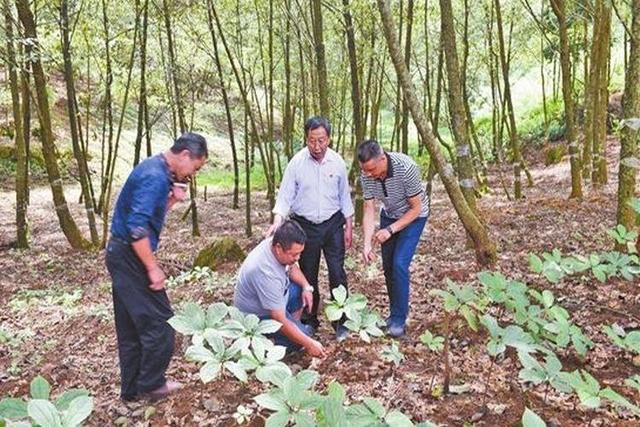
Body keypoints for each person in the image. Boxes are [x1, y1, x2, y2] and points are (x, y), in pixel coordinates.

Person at [106, 132, 208, 401]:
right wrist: (152, 268)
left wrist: (172, 200)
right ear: (185, 155)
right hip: (130, 257)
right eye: (195, 168)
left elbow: (148, 216)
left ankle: (131, 391)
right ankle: (151, 384)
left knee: (130, 329)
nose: (192, 174)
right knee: (162, 324)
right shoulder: (154, 176)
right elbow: (137, 230)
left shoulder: (157, 170)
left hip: (120, 253)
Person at [267, 116, 354, 338]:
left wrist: (349, 225)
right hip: (305, 226)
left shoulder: (338, 163)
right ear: (306, 139)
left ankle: (341, 322)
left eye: (322, 141)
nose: (317, 146)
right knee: (308, 274)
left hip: (333, 223)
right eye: (312, 141)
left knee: (337, 272)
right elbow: (285, 196)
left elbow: (344, 197)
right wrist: (277, 222)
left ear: (329, 139)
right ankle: (309, 319)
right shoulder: (296, 163)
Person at [358, 139, 429, 338]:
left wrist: (390, 230)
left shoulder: (406, 168)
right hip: (389, 213)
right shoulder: (366, 175)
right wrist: (366, 245)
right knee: (388, 266)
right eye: (365, 171)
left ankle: (400, 318)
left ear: (382, 158)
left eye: (372, 169)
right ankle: (393, 313)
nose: (369, 174)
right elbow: (369, 208)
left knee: (399, 263)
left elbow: (416, 208)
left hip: (414, 216)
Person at [235, 220, 326, 357]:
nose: (298, 258)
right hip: (256, 317)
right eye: (294, 254)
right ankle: (263, 347)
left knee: (298, 289)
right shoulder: (265, 271)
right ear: (278, 248)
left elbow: (291, 268)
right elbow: (278, 318)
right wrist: (309, 343)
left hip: (274, 300)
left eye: (300, 253)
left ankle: (295, 326)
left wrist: (307, 287)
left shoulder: (276, 245)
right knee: (301, 340)